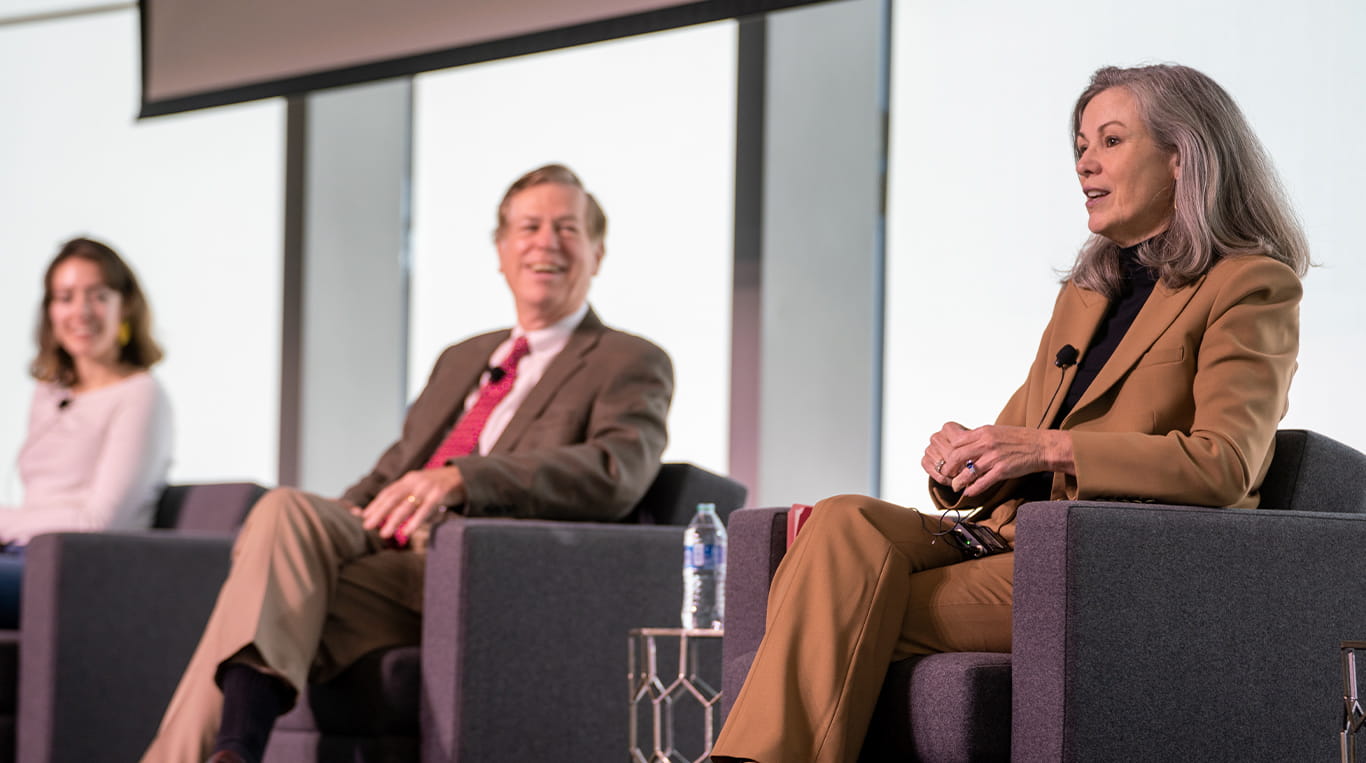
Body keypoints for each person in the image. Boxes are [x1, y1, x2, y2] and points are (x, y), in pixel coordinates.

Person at [712, 63, 1310, 763]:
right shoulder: (1089, 291)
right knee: (844, 516)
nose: (1085, 161)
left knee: (830, 608)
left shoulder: (1251, 282)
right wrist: (961, 457)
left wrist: (1049, 450)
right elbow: (1017, 439)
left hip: (1115, 564)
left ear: (1182, 156)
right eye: (1081, 145)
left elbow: (1225, 463)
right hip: (1009, 540)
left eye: (1110, 140)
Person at [140, 164, 674, 763]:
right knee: (285, 514)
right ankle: (234, 752)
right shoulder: (463, 357)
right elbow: (397, 464)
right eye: (528, 226)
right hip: (385, 537)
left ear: (597, 253)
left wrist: (462, 479)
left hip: (476, 562)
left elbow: (614, 473)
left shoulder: (628, 360)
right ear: (501, 251)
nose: (546, 241)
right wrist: (342, 514)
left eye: (567, 228)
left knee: (261, 601)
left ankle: (231, 747)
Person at [0, 238, 172, 628]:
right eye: (65, 297)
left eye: (97, 296)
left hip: (79, 570)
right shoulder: (49, 394)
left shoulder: (139, 394)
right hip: (21, 555)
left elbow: (100, 522)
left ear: (124, 304)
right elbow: (37, 505)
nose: (80, 312)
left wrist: (6, 522)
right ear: (49, 310)